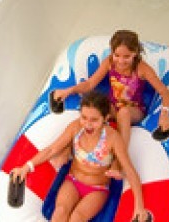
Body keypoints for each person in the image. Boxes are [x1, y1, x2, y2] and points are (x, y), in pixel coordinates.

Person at [9, 92, 148, 221]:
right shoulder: (76, 128)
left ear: (105, 118)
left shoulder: (113, 138)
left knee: (77, 217)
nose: (88, 124)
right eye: (84, 117)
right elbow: (52, 149)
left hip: (97, 189)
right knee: (60, 211)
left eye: (94, 120)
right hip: (73, 181)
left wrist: (139, 206)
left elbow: (130, 170)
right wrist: (26, 167)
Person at [51, 30, 169, 151]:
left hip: (133, 110)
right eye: (117, 55)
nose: (121, 61)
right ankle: (72, 145)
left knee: (124, 112)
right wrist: (68, 91)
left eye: (126, 57)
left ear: (135, 53)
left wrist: (165, 114)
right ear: (112, 52)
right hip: (113, 107)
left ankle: (120, 154)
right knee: (94, 107)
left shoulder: (142, 69)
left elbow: (165, 92)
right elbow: (90, 84)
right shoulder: (109, 62)